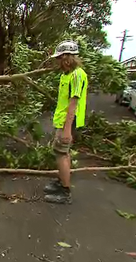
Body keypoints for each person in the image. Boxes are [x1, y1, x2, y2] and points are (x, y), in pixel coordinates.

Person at [43, 40, 88, 204]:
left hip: (69, 121)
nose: (58, 62)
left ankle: (65, 192)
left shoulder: (78, 75)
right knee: (61, 153)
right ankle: (62, 181)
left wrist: (67, 129)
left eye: (59, 58)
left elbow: (73, 103)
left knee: (61, 154)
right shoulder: (66, 74)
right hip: (62, 121)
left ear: (67, 57)